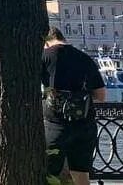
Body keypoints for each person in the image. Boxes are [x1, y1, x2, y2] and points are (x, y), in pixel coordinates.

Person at [42, 26, 107, 185]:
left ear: (46, 42)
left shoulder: (45, 57)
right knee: (80, 173)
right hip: (85, 124)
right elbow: (101, 96)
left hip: (55, 125)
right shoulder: (84, 58)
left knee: (49, 172)